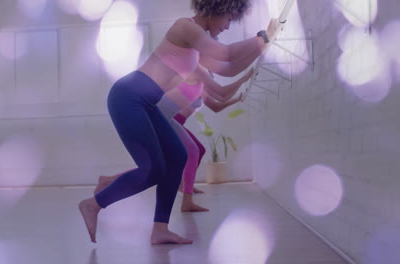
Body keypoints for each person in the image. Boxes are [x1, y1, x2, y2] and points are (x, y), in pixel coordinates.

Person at [78, 0, 277, 245]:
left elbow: (228, 68)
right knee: (152, 169)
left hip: (146, 104)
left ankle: (160, 229)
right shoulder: (185, 27)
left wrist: (262, 46)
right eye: (228, 19)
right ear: (217, 9)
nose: (227, 27)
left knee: (178, 156)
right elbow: (225, 54)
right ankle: (93, 205)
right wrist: (262, 38)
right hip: (129, 97)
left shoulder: (197, 44)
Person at [94, 67, 254, 212]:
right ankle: (186, 194)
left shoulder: (201, 88)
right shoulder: (194, 76)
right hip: (166, 118)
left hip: (174, 121)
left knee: (190, 153)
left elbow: (217, 106)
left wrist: (239, 98)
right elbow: (222, 92)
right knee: (184, 154)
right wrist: (244, 77)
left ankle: (185, 186)